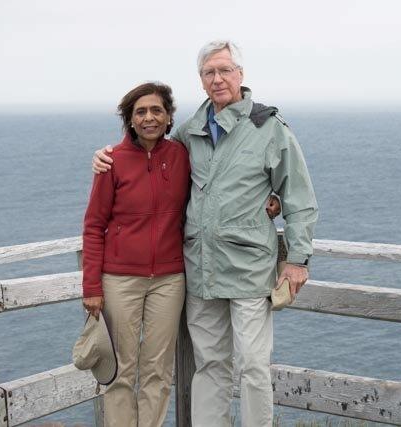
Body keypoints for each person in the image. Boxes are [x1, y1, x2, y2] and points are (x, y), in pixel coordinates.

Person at [92, 40, 318, 426]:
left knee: (252, 366)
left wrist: (297, 259)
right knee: (209, 365)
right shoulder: (188, 132)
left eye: (225, 70)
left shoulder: (269, 128)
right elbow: (151, 155)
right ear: (201, 80)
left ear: (241, 75)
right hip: (200, 270)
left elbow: (299, 196)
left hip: (248, 269)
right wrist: (106, 155)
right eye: (209, 72)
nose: (218, 79)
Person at [81, 82, 190, 427]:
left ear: (169, 116)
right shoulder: (111, 161)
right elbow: (94, 225)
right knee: (120, 369)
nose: (149, 118)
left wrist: (270, 201)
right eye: (140, 112)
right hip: (119, 280)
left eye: (156, 110)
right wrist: (92, 287)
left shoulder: (181, 156)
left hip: (170, 280)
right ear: (129, 119)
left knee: (158, 370)